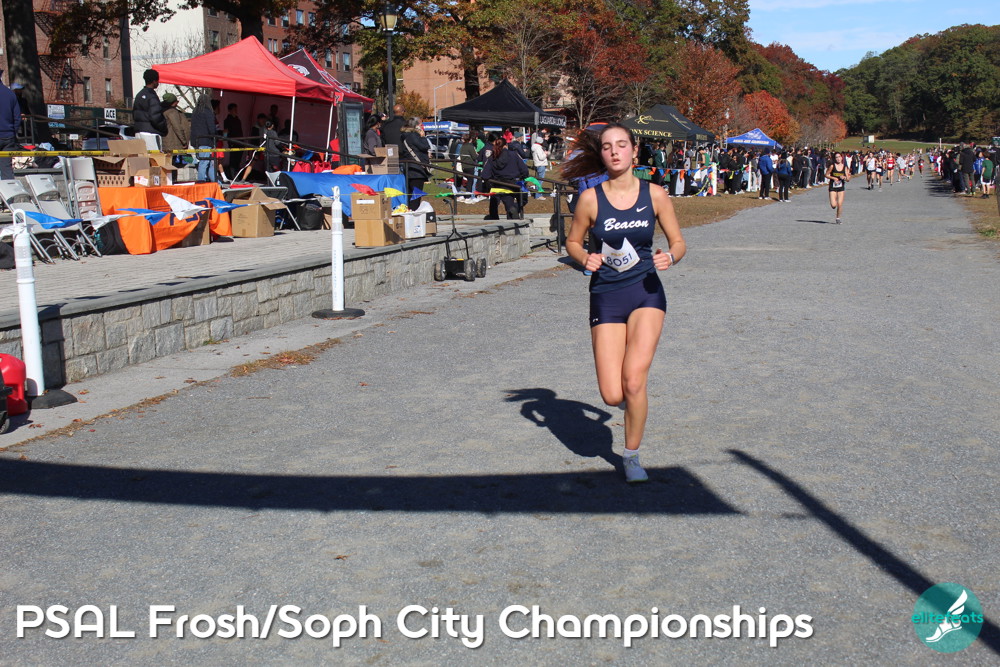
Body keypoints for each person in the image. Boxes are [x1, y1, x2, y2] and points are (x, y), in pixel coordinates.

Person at [563, 123, 686, 484]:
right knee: (611, 393)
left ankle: (631, 456)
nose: (614, 151)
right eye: (607, 147)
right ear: (601, 154)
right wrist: (584, 258)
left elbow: (679, 242)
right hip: (606, 295)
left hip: (646, 292)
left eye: (621, 145)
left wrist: (670, 257)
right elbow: (573, 241)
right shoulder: (590, 199)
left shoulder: (655, 194)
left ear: (634, 150)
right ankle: (631, 404)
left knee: (633, 382)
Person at [480, 137, 528, 219]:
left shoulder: (492, 157)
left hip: (499, 183)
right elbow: (524, 169)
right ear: (506, 145)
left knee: (506, 202)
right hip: (515, 183)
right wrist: (524, 177)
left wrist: (492, 180)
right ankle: (515, 209)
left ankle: (498, 216)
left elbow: (485, 174)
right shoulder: (513, 154)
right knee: (522, 199)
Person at [400, 116, 432, 207]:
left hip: (410, 167)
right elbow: (424, 146)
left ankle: (410, 210)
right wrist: (423, 137)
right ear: (416, 126)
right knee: (416, 195)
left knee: (411, 194)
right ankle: (414, 211)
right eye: (421, 125)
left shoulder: (405, 135)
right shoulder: (413, 136)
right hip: (416, 169)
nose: (422, 127)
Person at [190, 94, 217, 182]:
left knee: (206, 162)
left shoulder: (195, 112)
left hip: (196, 141)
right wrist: (215, 135)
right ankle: (201, 181)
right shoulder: (208, 112)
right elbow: (211, 127)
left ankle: (214, 181)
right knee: (205, 162)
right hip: (206, 140)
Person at [133, 69, 167, 136]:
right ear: (154, 81)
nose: (158, 83)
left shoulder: (139, 95)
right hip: (151, 132)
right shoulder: (152, 96)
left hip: (139, 131)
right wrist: (164, 128)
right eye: (157, 81)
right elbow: (156, 116)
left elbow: (134, 114)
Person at [160, 93, 190, 167]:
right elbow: (177, 127)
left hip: (168, 142)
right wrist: (184, 142)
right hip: (174, 142)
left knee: (171, 163)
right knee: (174, 163)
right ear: (174, 102)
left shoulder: (163, 111)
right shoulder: (172, 112)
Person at [0, 79, 21, 180]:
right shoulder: (10, 94)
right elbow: (17, 118)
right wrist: (12, 132)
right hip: (8, 137)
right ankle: (9, 189)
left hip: (7, 135)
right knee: (6, 168)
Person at [825, 152, 850, 224]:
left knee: (840, 204)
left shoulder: (844, 167)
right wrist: (834, 178)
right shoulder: (832, 166)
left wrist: (844, 177)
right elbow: (826, 175)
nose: (838, 158)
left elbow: (848, 179)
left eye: (839, 157)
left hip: (841, 187)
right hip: (833, 186)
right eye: (836, 157)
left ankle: (838, 218)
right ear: (834, 158)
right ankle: (834, 202)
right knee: (833, 205)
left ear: (842, 158)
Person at [222, 103, 243, 179]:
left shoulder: (238, 120)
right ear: (230, 110)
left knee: (238, 159)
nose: (236, 111)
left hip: (240, 142)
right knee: (233, 159)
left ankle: (237, 174)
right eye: (234, 109)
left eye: (236, 109)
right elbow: (226, 131)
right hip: (232, 142)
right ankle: (232, 175)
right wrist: (226, 139)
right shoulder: (227, 120)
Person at [530, 130, 550, 198]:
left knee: (538, 180)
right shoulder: (538, 148)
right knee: (540, 181)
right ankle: (538, 195)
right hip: (541, 164)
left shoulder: (534, 147)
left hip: (537, 164)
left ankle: (537, 193)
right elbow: (541, 157)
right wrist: (545, 154)